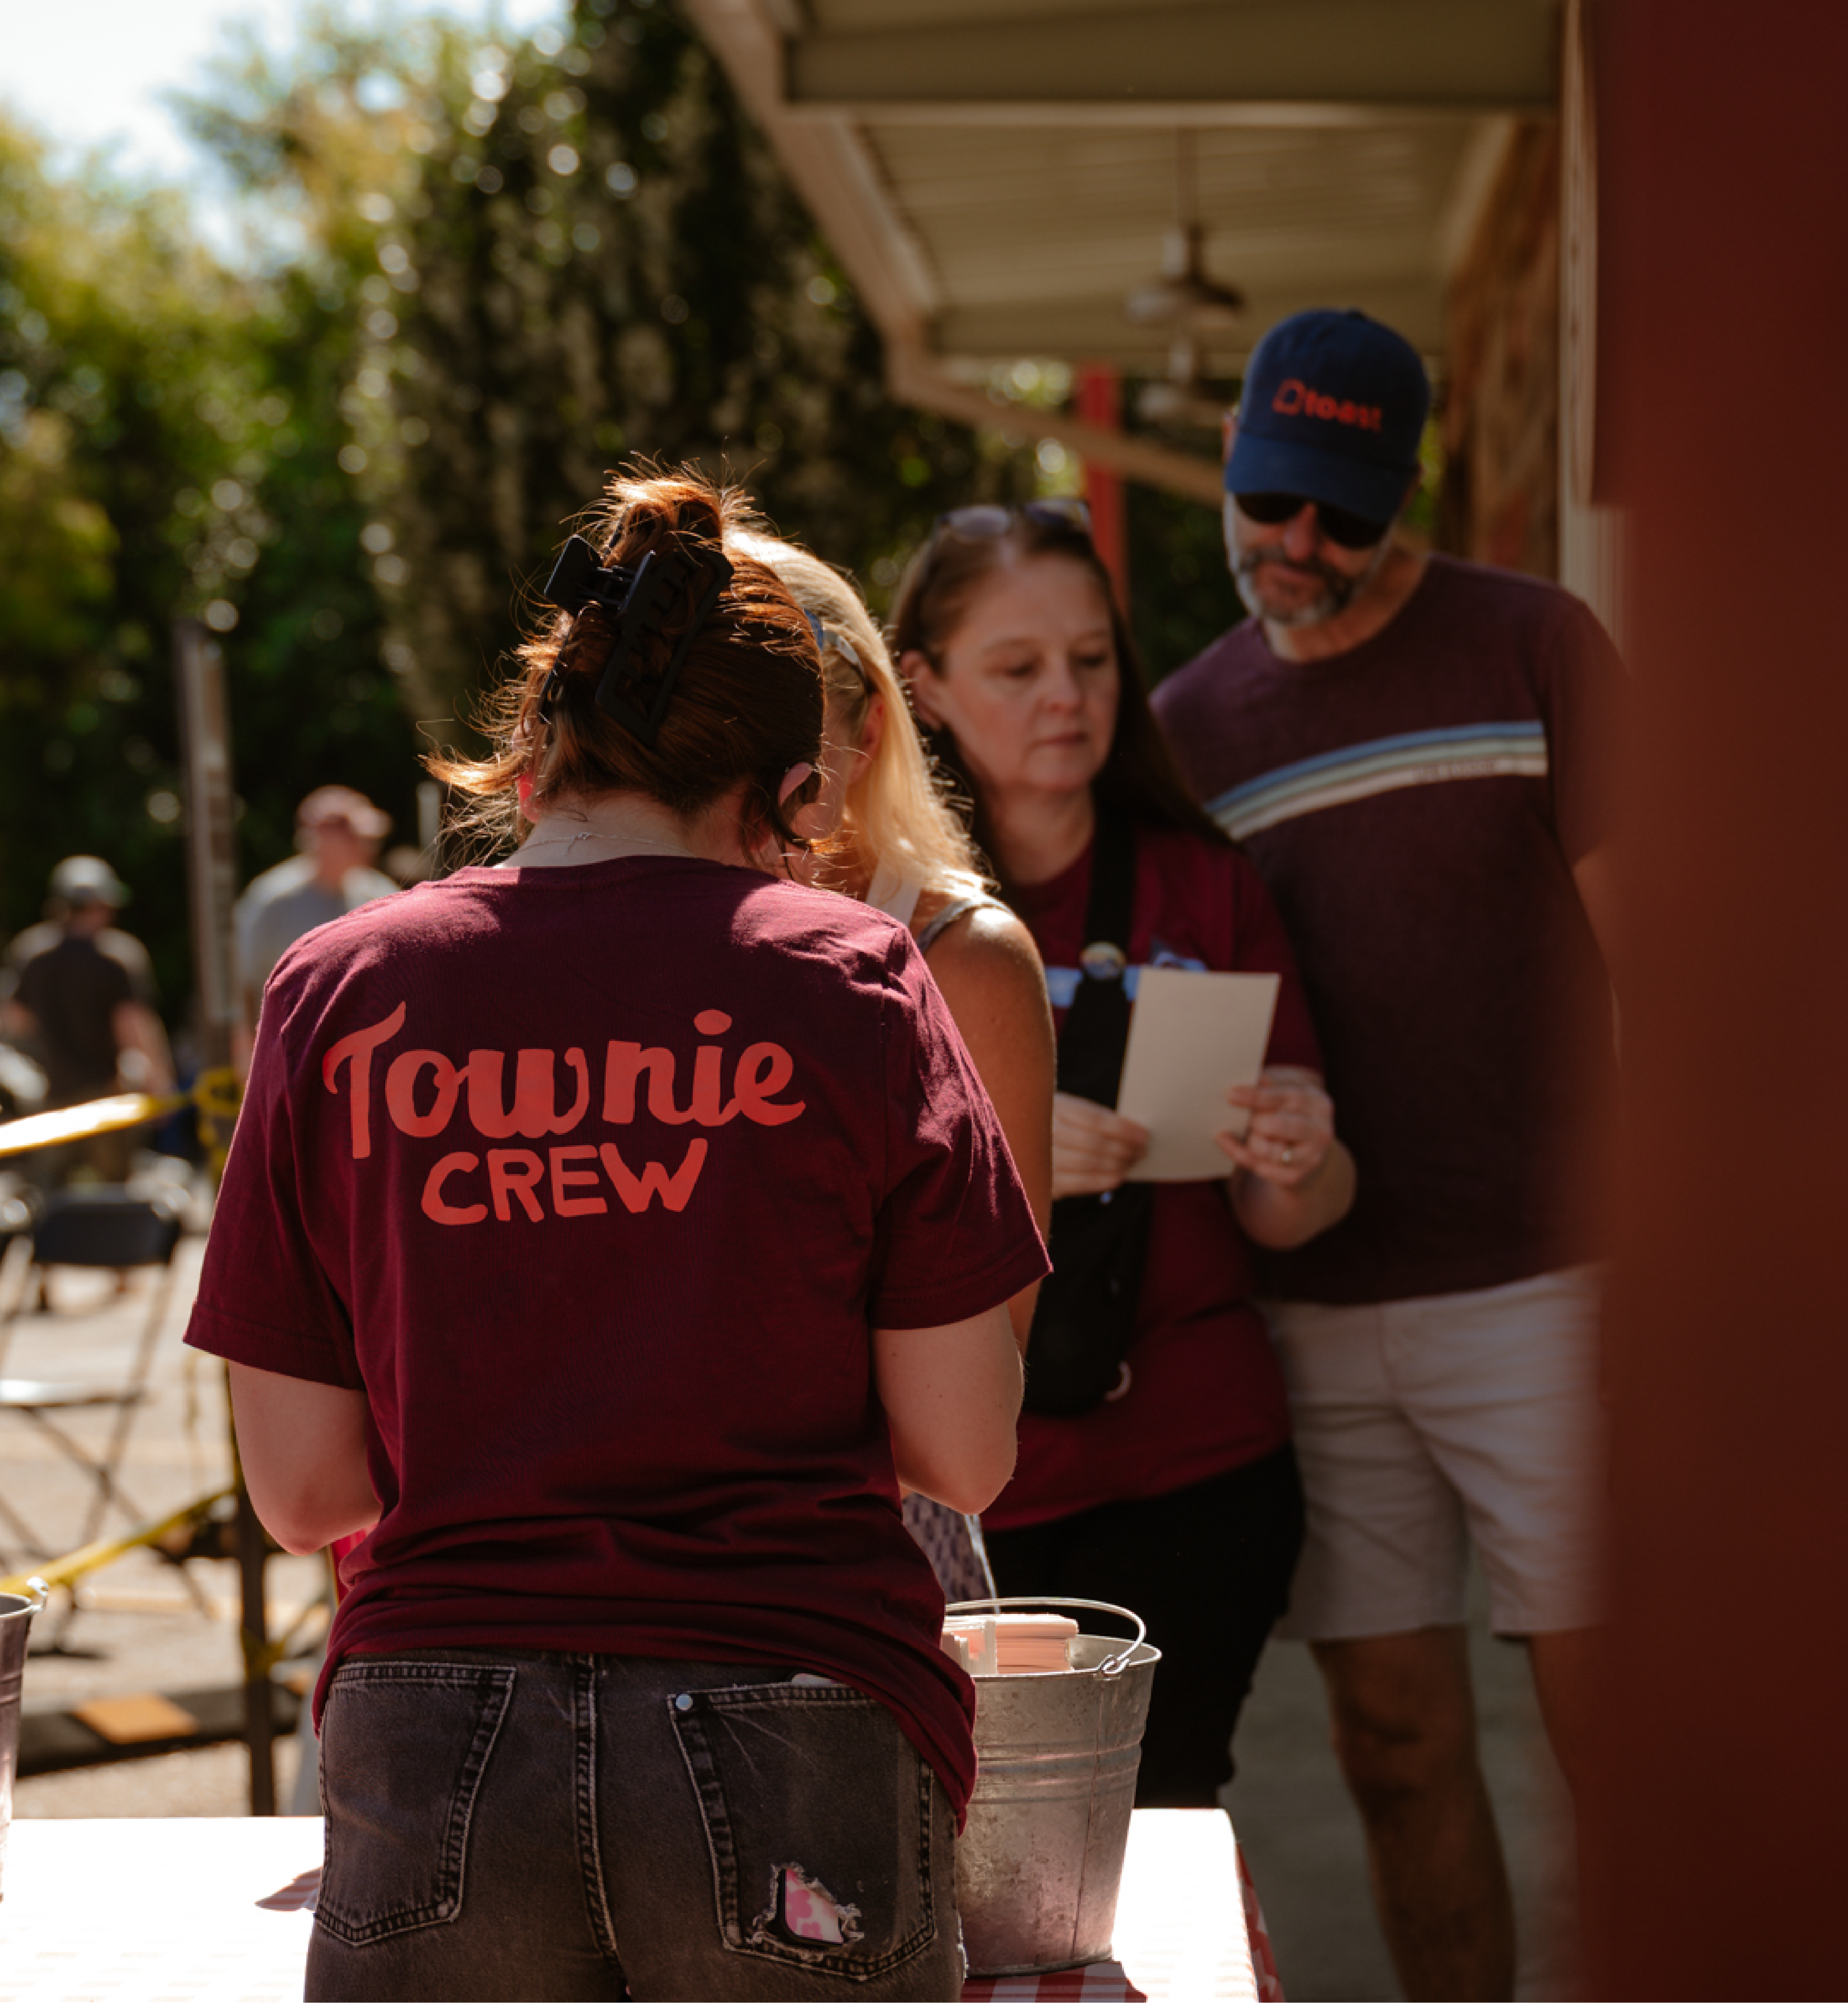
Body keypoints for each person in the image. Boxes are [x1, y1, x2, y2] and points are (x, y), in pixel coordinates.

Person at [186, 473, 1048, 2003]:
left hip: (435, 1732)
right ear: (794, 794)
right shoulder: (852, 976)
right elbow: (966, 1451)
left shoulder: (336, 986)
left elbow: (303, 1489)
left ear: (535, 758)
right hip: (796, 1709)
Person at [1152, 308, 1623, 2001]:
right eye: (1271, 498)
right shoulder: (1186, 726)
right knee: (1396, 1745)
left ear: (1406, 494)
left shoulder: (1536, 643)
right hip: (1317, 1311)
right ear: (1232, 462)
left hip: (1554, 1283)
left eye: (1343, 514)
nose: (1299, 543)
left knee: (1623, 1731)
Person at [891, 498, 1355, 1809]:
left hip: (1196, 1463)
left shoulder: (1208, 885)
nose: (1066, 696)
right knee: (965, 1840)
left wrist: (1300, 1156)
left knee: (1157, 1824)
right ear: (922, 686)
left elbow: (1293, 1214)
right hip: (966, 1484)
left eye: (1092, 660)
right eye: (1018, 667)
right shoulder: (870, 910)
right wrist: (1014, 1156)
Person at [735, 535, 1055, 1600]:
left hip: (864, 1550)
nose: (738, 777)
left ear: (865, 729)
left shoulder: (961, 957)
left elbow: (980, 1385)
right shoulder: (615, 933)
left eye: (781, 731)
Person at [1, 856, 176, 1183]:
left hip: (51, 1100)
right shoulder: (117, 956)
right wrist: (160, 1087)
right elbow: (133, 1027)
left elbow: (16, 1020)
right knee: (114, 1190)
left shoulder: (31, 953)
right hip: (105, 1099)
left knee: (51, 1194)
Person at [233, 785, 397, 1054]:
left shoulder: (378, 893)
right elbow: (247, 987)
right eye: (355, 836)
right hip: (290, 1047)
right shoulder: (274, 901)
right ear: (323, 838)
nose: (369, 845)